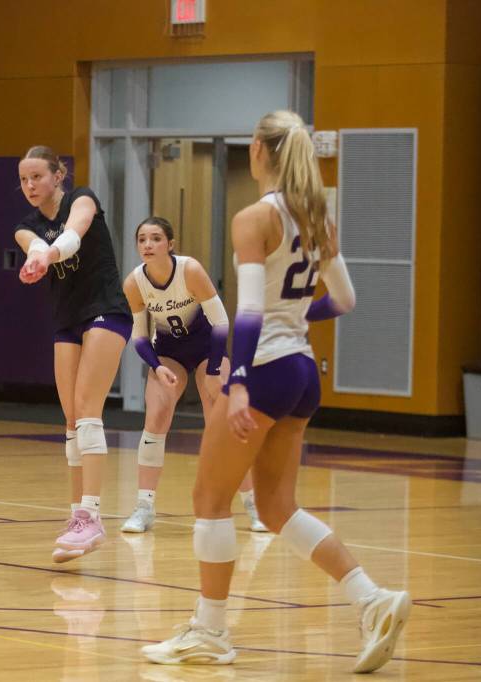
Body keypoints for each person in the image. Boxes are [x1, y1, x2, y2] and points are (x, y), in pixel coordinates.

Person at [141, 110, 409, 673]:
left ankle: (211, 633)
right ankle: (372, 598)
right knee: (276, 506)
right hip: (303, 371)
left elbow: (252, 311)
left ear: (260, 152)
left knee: (209, 501)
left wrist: (237, 380)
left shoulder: (254, 217)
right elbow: (345, 300)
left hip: (264, 369)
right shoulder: (317, 216)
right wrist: (295, 315)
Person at [14, 145, 132, 563]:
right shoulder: (25, 225)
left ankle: (93, 515)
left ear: (57, 175)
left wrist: (49, 254)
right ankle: (75, 517)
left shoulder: (83, 198)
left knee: (87, 409)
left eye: (37, 177)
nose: (30, 185)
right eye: (24, 179)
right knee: (69, 418)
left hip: (105, 312)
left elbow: (72, 234)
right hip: (67, 321)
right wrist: (35, 258)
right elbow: (32, 243)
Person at [120, 217, 267, 534]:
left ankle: (254, 505)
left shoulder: (190, 270)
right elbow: (141, 338)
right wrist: (157, 367)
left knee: (224, 422)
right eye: (142, 239)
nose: (148, 245)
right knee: (156, 414)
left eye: (156, 238)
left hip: (207, 349)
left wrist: (215, 368)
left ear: (170, 245)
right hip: (168, 353)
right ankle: (144, 507)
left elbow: (221, 322)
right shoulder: (134, 283)